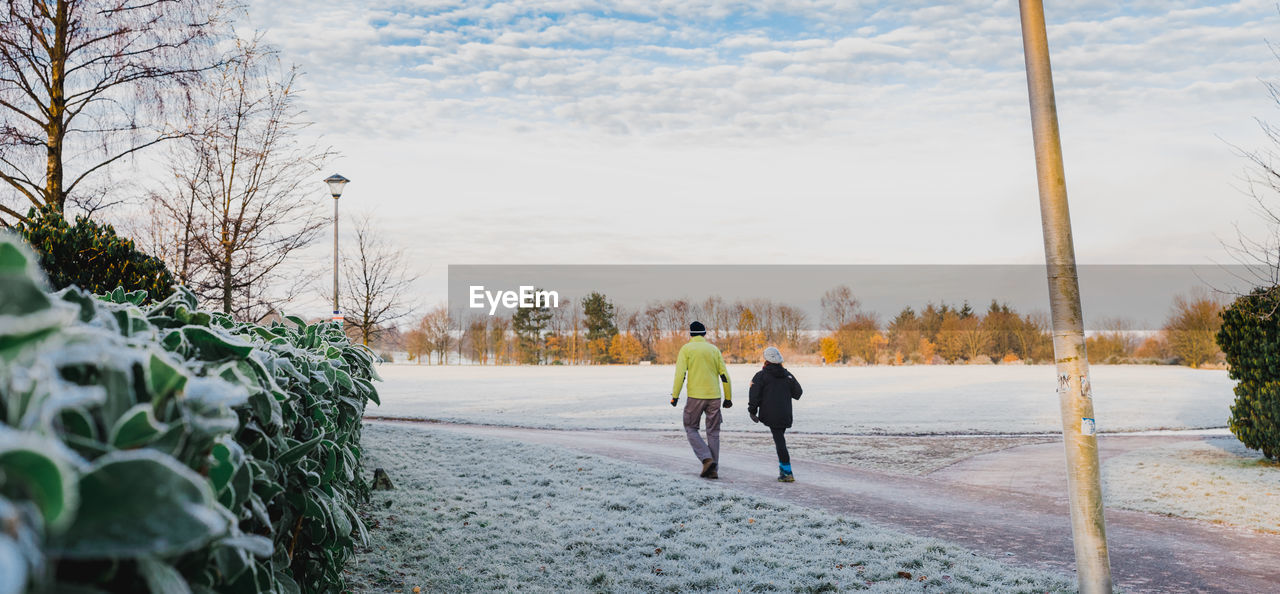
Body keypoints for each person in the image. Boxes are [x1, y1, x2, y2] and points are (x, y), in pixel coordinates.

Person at [670, 321, 732, 479]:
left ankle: (706, 459)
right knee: (713, 432)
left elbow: (680, 375)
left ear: (690, 334)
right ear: (704, 334)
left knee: (690, 427)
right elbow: (724, 375)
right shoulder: (713, 349)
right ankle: (713, 469)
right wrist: (728, 397)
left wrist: (675, 396)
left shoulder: (686, 349)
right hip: (715, 396)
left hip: (695, 396)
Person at [748, 346, 803, 482]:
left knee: (780, 442)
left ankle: (787, 472)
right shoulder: (787, 375)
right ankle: (784, 469)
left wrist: (752, 411)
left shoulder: (761, 376)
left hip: (771, 415)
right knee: (780, 439)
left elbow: (754, 395)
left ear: (766, 360)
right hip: (785, 413)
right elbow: (798, 393)